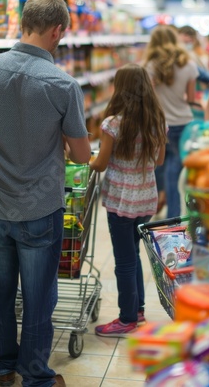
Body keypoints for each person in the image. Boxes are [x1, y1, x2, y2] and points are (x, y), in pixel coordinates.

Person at [0, 0, 91, 387]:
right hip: (39, 207)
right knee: (38, 298)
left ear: (23, 22)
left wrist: (3, 162)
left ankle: (3, 367)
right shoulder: (63, 84)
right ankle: (35, 375)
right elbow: (82, 154)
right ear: (57, 31)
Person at [90, 63, 166, 337]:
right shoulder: (158, 120)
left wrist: (87, 159)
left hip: (121, 202)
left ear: (120, 89)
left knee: (124, 260)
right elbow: (159, 160)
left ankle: (126, 318)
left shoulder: (112, 124)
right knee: (133, 255)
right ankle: (139, 309)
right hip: (146, 199)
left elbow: (100, 164)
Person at [144, 25, 199, 218]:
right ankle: (173, 217)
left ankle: (159, 209)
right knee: (174, 175)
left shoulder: (151, 66)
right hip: (183, 124)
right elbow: (190, 98)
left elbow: (148, 99)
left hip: (158, 125)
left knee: (158, 169)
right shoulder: (189, 65)